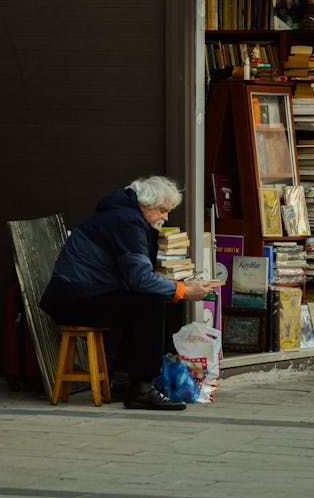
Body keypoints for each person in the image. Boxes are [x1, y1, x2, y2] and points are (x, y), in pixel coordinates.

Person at [40, 175, 213, 411]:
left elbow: (137, 277)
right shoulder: (127, 222)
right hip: (73, 299)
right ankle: (141, 388)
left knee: (152, 300)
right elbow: (140, 280)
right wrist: (182, 289)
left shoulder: (124, 216)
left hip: (80, 294)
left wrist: (177, 290)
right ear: (146, 205)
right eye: (163, 210)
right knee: (150, 303)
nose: (166, 217)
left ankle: (125, 379)